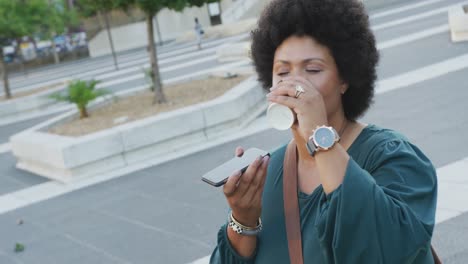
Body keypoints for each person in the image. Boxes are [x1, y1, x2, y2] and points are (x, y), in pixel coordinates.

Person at [209, 0, 438, 263]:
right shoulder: (267, 172)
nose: (295, 84)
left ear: (344, 79)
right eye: (282, 71)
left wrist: (319, 133)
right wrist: (243, 219)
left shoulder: (392, 157)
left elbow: (392, 248)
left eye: (313, 69)